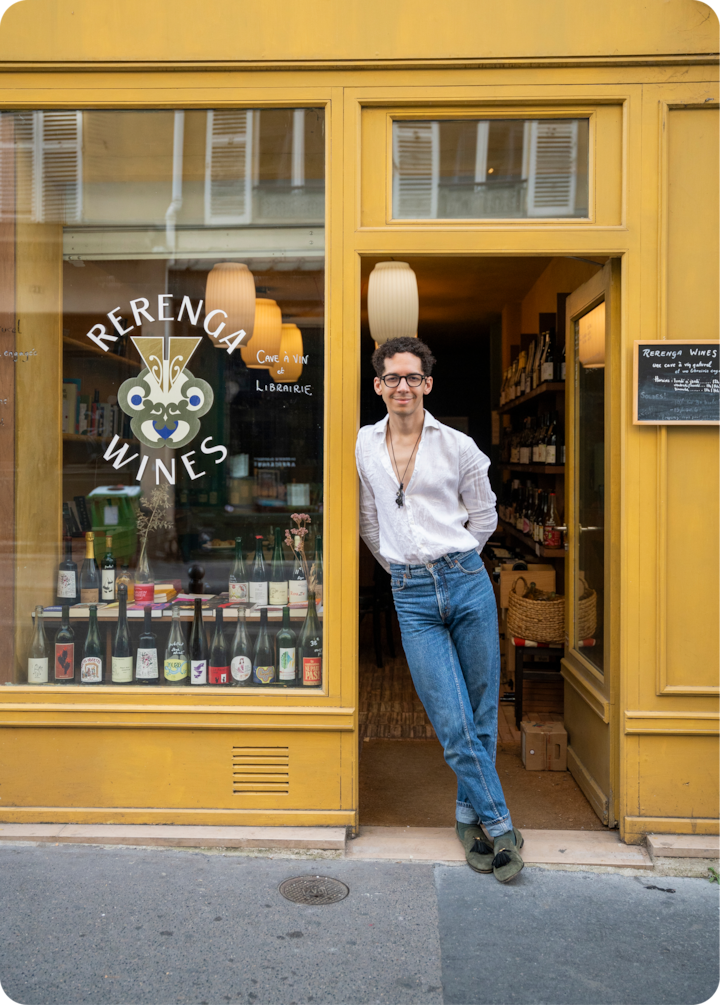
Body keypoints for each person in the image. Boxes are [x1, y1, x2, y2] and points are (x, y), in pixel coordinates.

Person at [355, 335, 524, 883]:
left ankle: (465, 818)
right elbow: (370, 523)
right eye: (391, 377)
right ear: (378, 385)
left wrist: (454, 564)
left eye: (412, 377)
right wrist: (403, 570)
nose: (402, 386)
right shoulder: (363, 445)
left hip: (467, 581)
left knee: (480, 713)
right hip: (411, 594)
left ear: (427, 384)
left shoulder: (460, 447)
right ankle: (502, 827)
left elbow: (485, 518)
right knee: (451, 719)